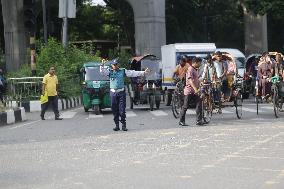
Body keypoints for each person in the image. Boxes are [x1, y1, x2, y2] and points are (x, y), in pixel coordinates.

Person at [100, 58, 150, 131]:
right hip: (113, 93)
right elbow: (102, 72)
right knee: (114, 110)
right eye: (114, 65)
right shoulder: (109, 72)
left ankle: (123, 125)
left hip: (121, 93)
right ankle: (117, 125)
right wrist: (102, 65)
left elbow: (133, 73)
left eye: (116, 64)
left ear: (118, 65)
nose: (115, 66)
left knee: (122, 111)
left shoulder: (123, 71)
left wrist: (143, 72)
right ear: (111, 65)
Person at [179, 57, 203, 126]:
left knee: (199, 105)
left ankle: (199, 121)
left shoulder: (195, 70)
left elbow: (196, 79)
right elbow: (190, 80)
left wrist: (199, 83)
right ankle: (181, 121)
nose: (200, 64)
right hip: (189, 91)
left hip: (196, 91)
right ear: (195, 63)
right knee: (185, 106)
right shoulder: (190, 69)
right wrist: (195, 89)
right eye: (199, 63)